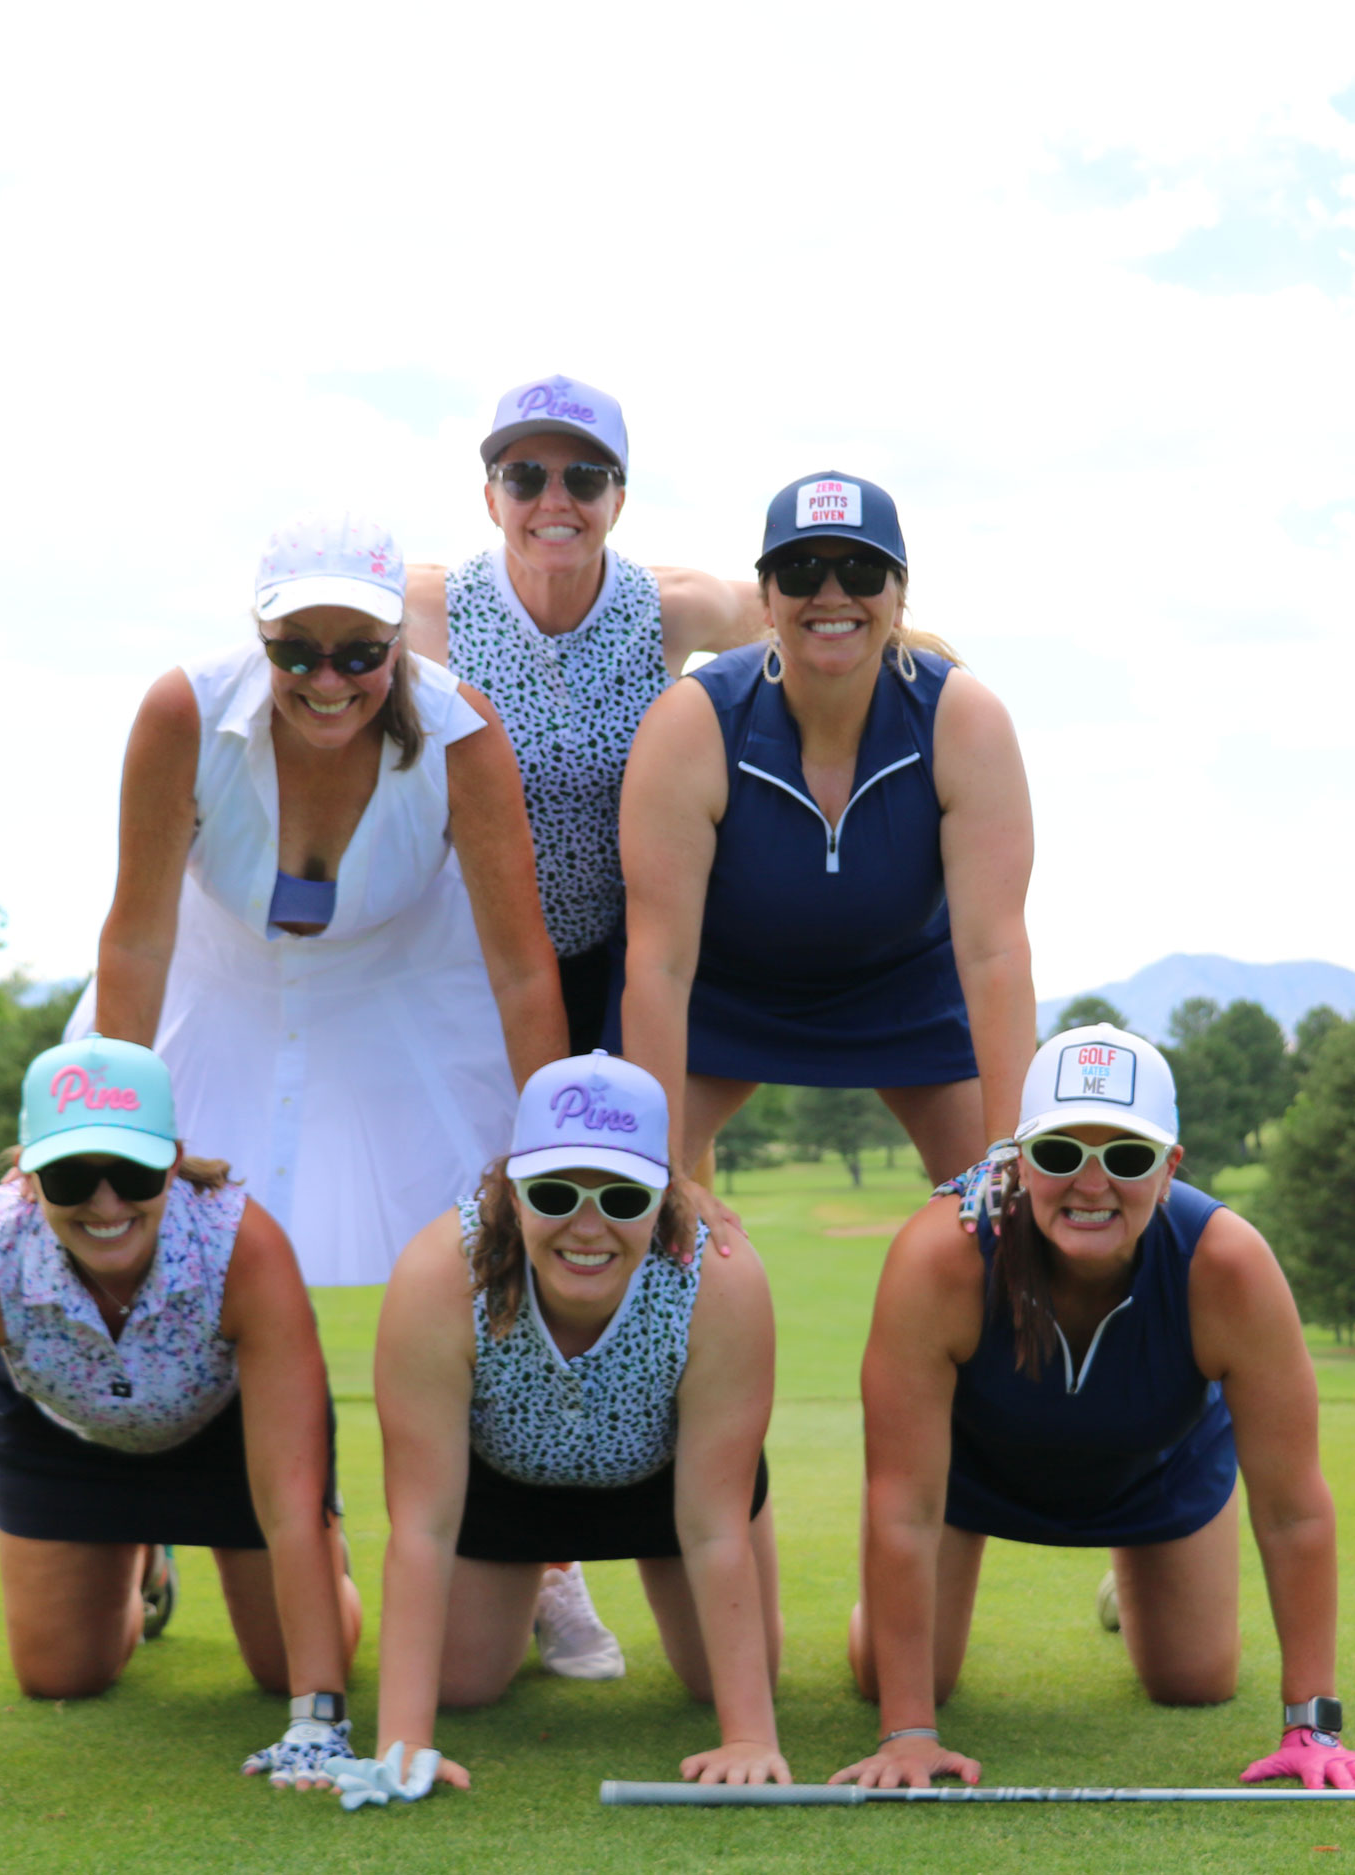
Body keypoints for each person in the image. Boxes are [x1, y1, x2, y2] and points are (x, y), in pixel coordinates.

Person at [838, 1023, 1355, 1792]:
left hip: (1158, 1467)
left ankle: (1131, 1580)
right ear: (1017, 1158)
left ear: (1170, 1165)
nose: (1090, 1182)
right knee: (894, 1673)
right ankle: (882, 1616)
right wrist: (908, 1732)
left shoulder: (1230, 1265)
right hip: (971, 1475)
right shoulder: (939, 1254)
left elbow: (1294, 1511)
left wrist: (1312, 1724)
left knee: (1195, 1678)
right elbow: (904, 1504)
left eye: (1127, 1155)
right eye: (1058, 1152)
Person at [71, 509, 567, 1285]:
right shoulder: (182, 715)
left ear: (400, 641)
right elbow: (138, 937)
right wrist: (120, 1124)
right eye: (296, 652)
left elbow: (521, 967)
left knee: (450, 1271)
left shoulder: (463, 736)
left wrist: (554, 1150)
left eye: (361, 653)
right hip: (209, 1000)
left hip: (409, 1006)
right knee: (174, 1266)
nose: (328, 681)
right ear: (260, 634)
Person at [0, 1036, 362, 1788]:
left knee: (282, 1665)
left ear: (173, 1158)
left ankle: (331, 1566)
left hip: (228, 1428)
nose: (106, 1202)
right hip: (65, 1433)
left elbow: (288, 1506)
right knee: (60, 1672)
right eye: (69, 1176)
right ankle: (143, 1556)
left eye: (132, 1171)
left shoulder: (242, 1245)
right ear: (28, 1178)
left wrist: (317, 1723)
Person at [369, 1051, 787, 1793]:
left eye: (623, 1197)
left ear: (663, 1195)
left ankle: (570, 1578)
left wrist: (749, 1736)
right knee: (459, 1684)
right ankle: (553, 1579)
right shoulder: (440, 1271)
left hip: (672, 1480)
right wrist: (402, 1740)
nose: (588, 1227)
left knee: (724, 1679)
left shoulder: (720, 1277)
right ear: (514, 1188)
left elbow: (714, 1526)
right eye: (556, 1192)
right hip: (503, 1477)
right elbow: (423, 1526)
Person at [617, 468, 1035, 1192]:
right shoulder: (693, 725)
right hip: (728, 993)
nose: (833, 594)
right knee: (627, 1200)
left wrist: (1010, 1156)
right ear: (767, 597)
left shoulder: (963, 721)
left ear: (899, 594)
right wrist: (659, 1173)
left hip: (905, 989)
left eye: (863, 569)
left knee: (1010, 1220)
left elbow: (995, 952)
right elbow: (659, 964)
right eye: (803, 568)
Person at [402, 373, 763, 1057]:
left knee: (644, 1155)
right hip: (464, 960)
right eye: (525, 477)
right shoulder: (426, 608)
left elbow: (809, 617)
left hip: (625, 955)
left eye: (587, 478)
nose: (555, 501)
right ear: (490, 498)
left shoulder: (673, 606)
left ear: (618, 500)